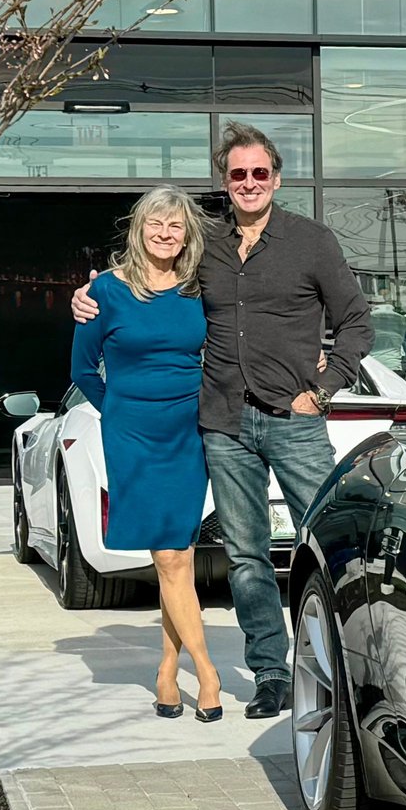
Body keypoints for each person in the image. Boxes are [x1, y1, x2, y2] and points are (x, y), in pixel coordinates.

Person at [73, 123, 372, 719]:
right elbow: (141, 283)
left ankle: (353, 671)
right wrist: (86, 297)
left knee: (329, 548)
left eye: (260, 173)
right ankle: (270, 674)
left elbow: (358, 325)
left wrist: (322, 391)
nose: (249, 183)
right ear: (226, 182)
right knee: (245, 555)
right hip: (223, 424)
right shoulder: (203, 248)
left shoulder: (311, 242)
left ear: (276, 178)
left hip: (293, 419)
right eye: (238, 174)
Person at [70, 185, 225, 724]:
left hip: (188, 430)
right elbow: (82, 370)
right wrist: (118, 412)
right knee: (169, 558)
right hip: (133, 435)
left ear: (188, 234)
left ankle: (166, 667)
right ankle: (207, 672)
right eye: (156, 224)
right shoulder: (106, 293)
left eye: (176, 226)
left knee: (174, 558)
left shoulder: (199, 288)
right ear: (138, 229)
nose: (166, 233)